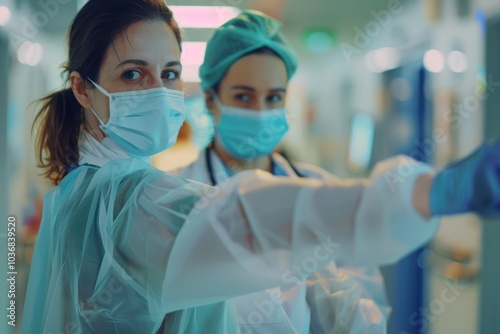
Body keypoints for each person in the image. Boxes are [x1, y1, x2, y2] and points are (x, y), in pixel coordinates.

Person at [21, 0, 500, 333]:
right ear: (83, 88)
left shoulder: (81, 189)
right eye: (132, 74)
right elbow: (243, 219)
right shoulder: (127, 199)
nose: (157, 91)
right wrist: (425, 193)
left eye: (168, 74)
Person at [172, 10, 392, 333]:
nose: (261, 112)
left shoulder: (322, 192)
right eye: (243, 96)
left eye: (274, 97)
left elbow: (368, 321)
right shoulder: (176, 193)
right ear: (210, 99)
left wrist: (317, 273)